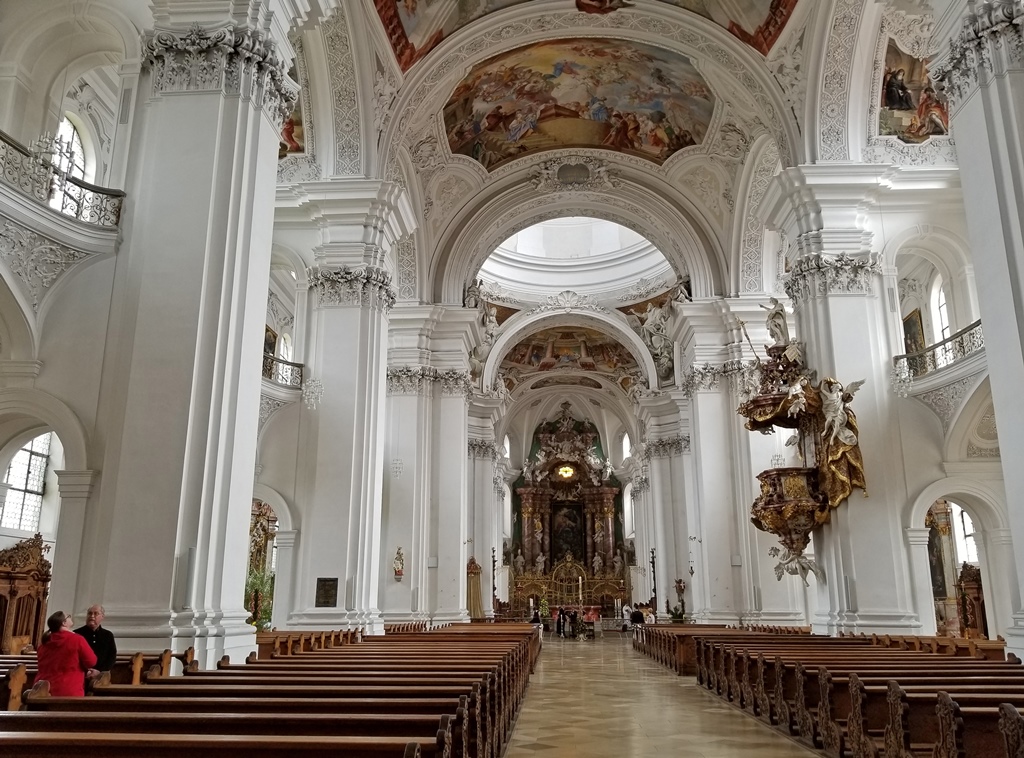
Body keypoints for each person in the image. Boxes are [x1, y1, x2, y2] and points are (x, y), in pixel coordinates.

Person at [35, 610, 96, 697]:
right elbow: (91, 661)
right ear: (64, 623)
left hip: (42, 690)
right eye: (69, 616)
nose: (71, 617)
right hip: (68, 688)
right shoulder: (77, 640)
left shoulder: (44, 642)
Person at [74, 604, 117, 677]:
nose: (92, 616)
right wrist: (86, 671)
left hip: (101, 675)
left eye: (96, 613)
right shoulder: (77, 634)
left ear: (102, 616)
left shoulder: (108, 635)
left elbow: (111, 656)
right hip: (80, 674)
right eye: (90, 613)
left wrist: (99, 671)